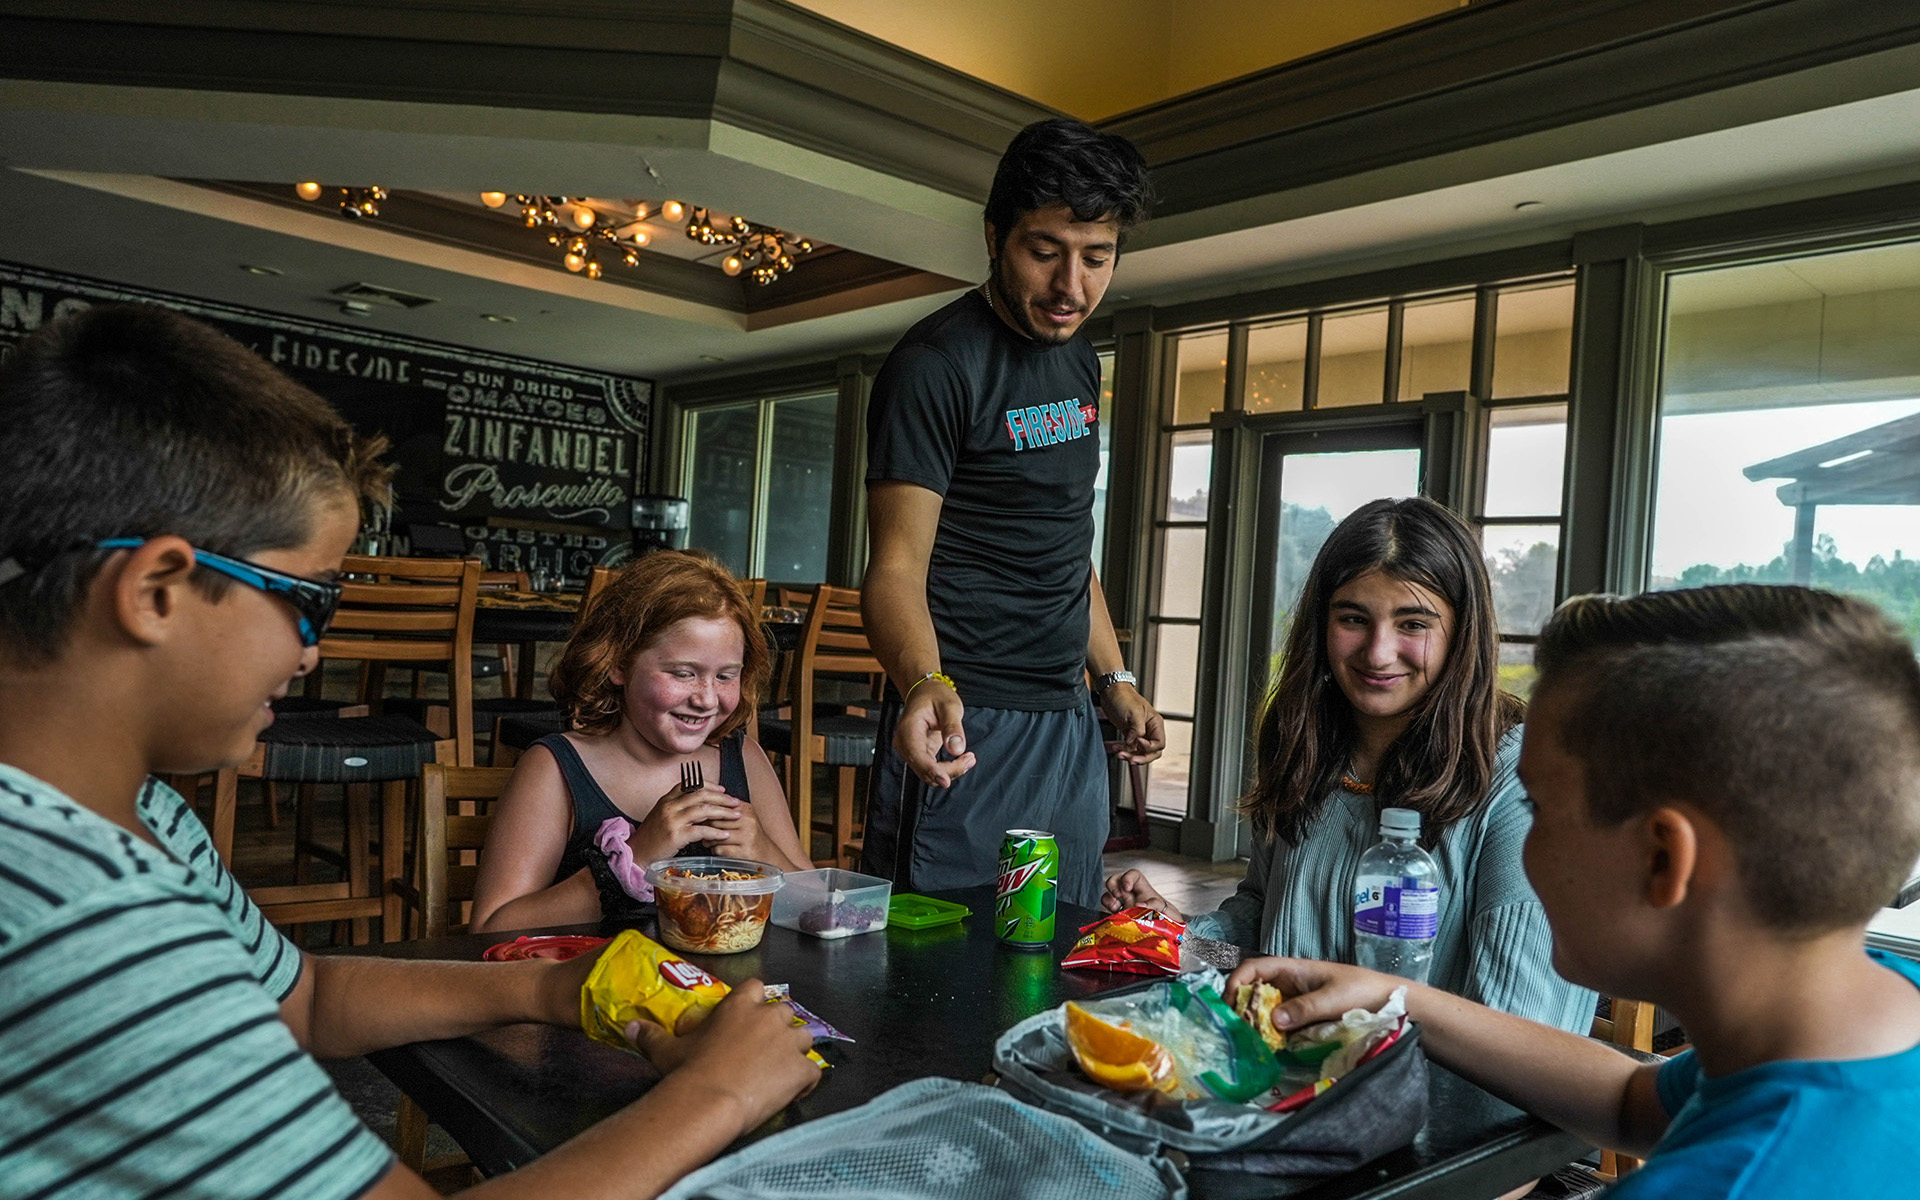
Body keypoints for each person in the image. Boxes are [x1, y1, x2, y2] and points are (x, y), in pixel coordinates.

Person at [0, 305, 819, 1200]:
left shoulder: (149, 816)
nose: (311, 655)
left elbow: (305, 996)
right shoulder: (85, 910)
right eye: (309, 602)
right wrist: (721, 1092)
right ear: (156, 590)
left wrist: (555, 986)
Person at [1228, 584, 1920, 1197]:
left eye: (1539, 807)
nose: (1524, 845)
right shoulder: (1868, 1013)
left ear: (1663, 859)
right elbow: (1628, 1099)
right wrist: (1394, 994)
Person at [1106, 497, 1595, 1032]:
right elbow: (1262, 940)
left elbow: (1528, 1033)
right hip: (1289, 1066)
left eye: (1413, 623)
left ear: (1462, 634)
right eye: (1353, 619)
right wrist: (1183, 936)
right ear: (1321, 624)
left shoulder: (1519, 784)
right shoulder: (1305, 746)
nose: (1378, 653)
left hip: (1420, 1085)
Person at [860, 116, 1165, 908]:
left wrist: (1114, 678)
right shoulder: (935, 366)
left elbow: (1064, 541)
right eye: (1045, 251)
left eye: (1097, 257)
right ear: (995, 237)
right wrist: (923, 682)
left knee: (1061, 935)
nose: (1072, 287)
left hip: (1067, 721)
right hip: (967, 718)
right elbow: (895, 567)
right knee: (943, 954)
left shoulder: (1080, 360)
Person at [471, 552, 811, 933]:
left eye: (725, 676)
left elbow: (819, 906)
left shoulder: (743, 757)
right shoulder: (555, 769)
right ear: (618, 663)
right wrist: (633, 860)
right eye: (683, 674)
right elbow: (490, 929)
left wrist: (763, 851)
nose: (707, 699)